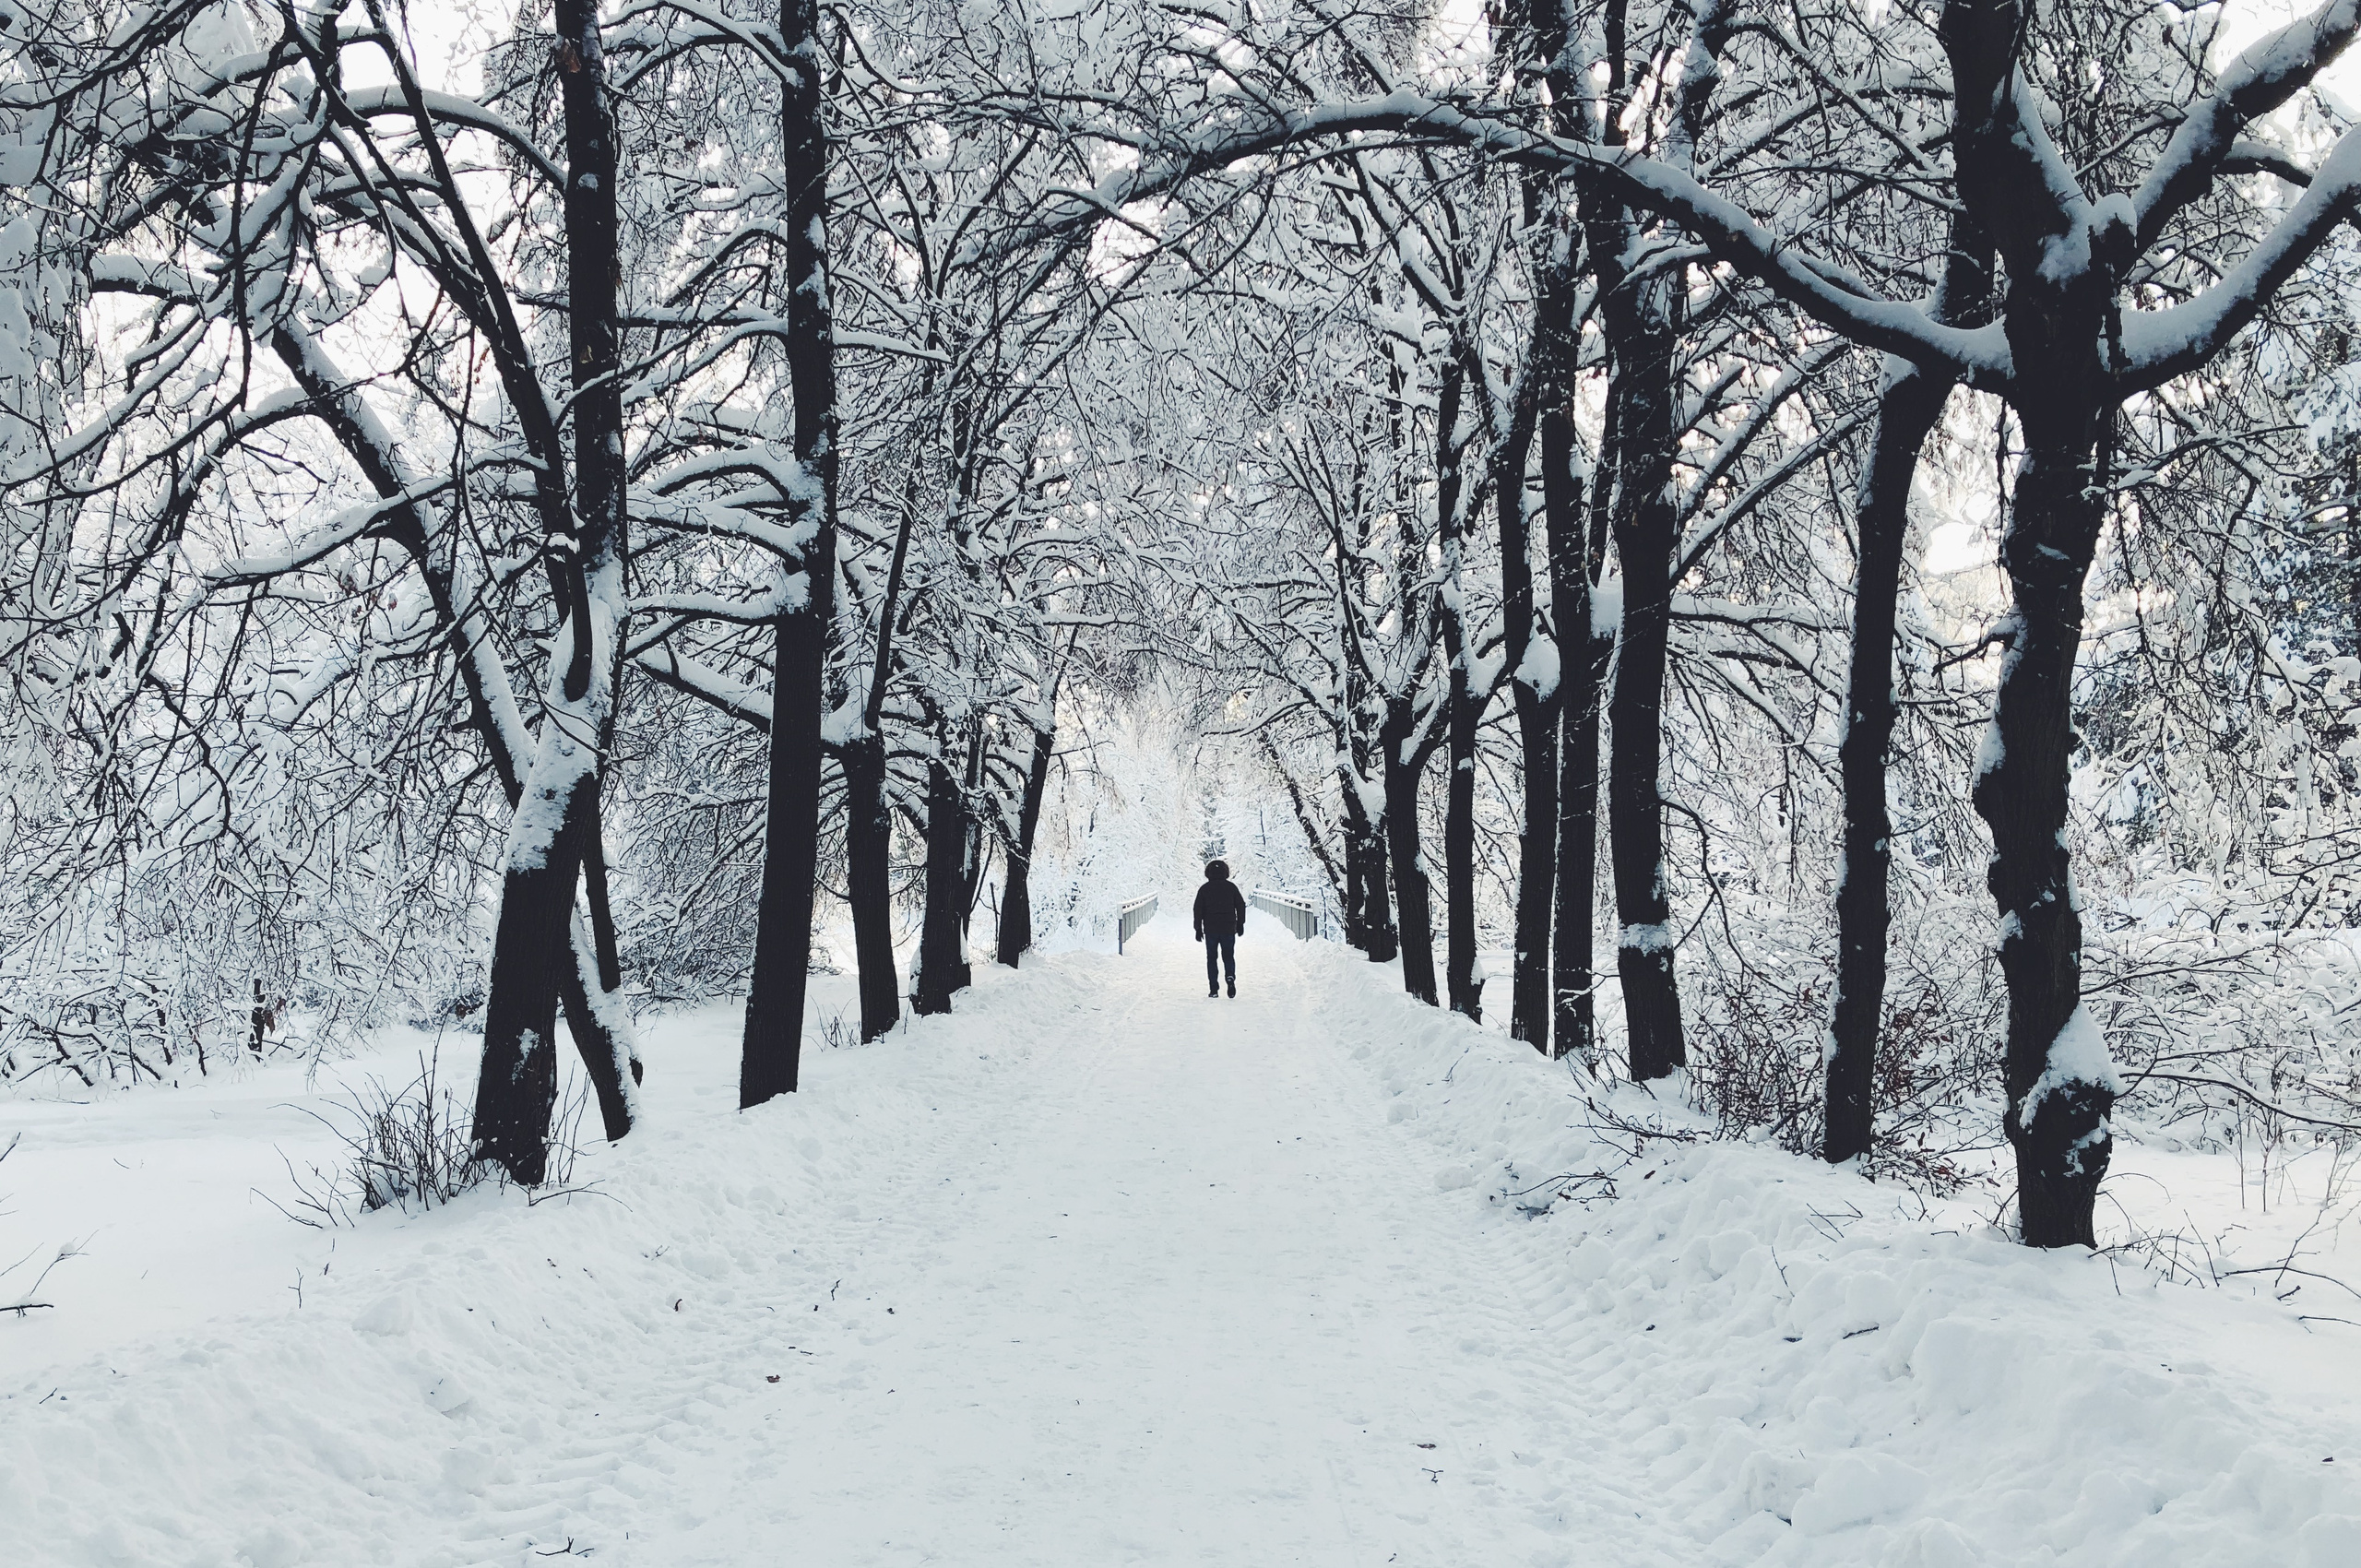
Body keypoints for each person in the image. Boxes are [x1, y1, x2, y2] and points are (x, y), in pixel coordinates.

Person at [1192, 860, 1248, 998]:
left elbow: (1197, 909)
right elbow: (1240, 905)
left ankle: (1214, 989)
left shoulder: (1205, 889)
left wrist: (1198, 928)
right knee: (1228, 955)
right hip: (1228, 928)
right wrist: (1240, 924)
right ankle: (1230, 977)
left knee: (1212, 958)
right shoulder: (1231, 887)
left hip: (1211, 929)